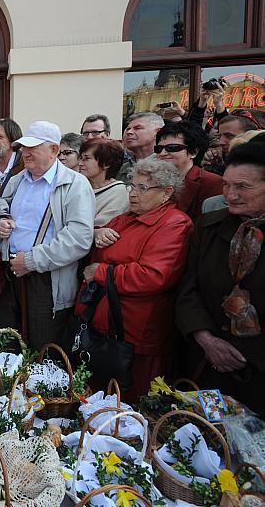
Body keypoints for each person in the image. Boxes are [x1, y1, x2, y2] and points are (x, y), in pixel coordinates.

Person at [79, 159, 193, 401]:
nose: (133, 193)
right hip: (106, 323)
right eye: (132, 186)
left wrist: (100, 272)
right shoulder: (127, 218)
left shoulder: (174, 224)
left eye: (143, 188)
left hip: (136, 331)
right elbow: (101, 240)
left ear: (166, 193)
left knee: (130, 399)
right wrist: (96, 232)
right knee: (98, 396)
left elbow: (153, 276)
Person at [176, 138, 265, 417]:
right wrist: (206, 339)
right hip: (208, 362)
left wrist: (245, 354)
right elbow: (188, 286)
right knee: (202, 443)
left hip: (258, 370)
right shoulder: (210, 226)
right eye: (226, 185)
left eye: (242, 187)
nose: (230, 194)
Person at [0, 121, 96, 349]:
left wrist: (30, 261)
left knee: (42, 349)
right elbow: (0, 209)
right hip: (11, 273)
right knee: (7, 345)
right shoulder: (18, 180)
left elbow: (79, 239)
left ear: (54, 150)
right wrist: (0, 223)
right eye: (24, 148)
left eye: (33, 148)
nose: (26, 153)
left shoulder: (75, 184)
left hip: (47, 279)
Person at [155, 120, 222, 221]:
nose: (163, 153)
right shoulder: (152, 180)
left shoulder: (212, 182)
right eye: (159, 149)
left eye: (172, 148)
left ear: (194, 152)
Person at [78, 138, 129, 226]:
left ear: (106, 163)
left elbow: (102, 225)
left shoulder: (120, 193)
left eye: (87, 159)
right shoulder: (78, 187)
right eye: (81, 158)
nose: (80, 163)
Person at [121, 112, 164, 179]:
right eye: (128, 129)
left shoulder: (167, 165)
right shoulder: (122, 168)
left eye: (137, 128)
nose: (129, 132)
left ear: (157, 133)